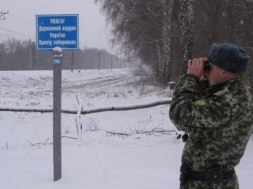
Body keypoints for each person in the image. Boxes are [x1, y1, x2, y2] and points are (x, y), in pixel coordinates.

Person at [169, 43, 253, 189]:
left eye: (210, 66)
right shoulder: (233, 92)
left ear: (224, 73)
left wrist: (190, 78)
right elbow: (204, 103)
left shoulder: (228, 103)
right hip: (209, 181)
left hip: (209, 184)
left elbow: (179, 113)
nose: (206, 69)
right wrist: (201, 81)